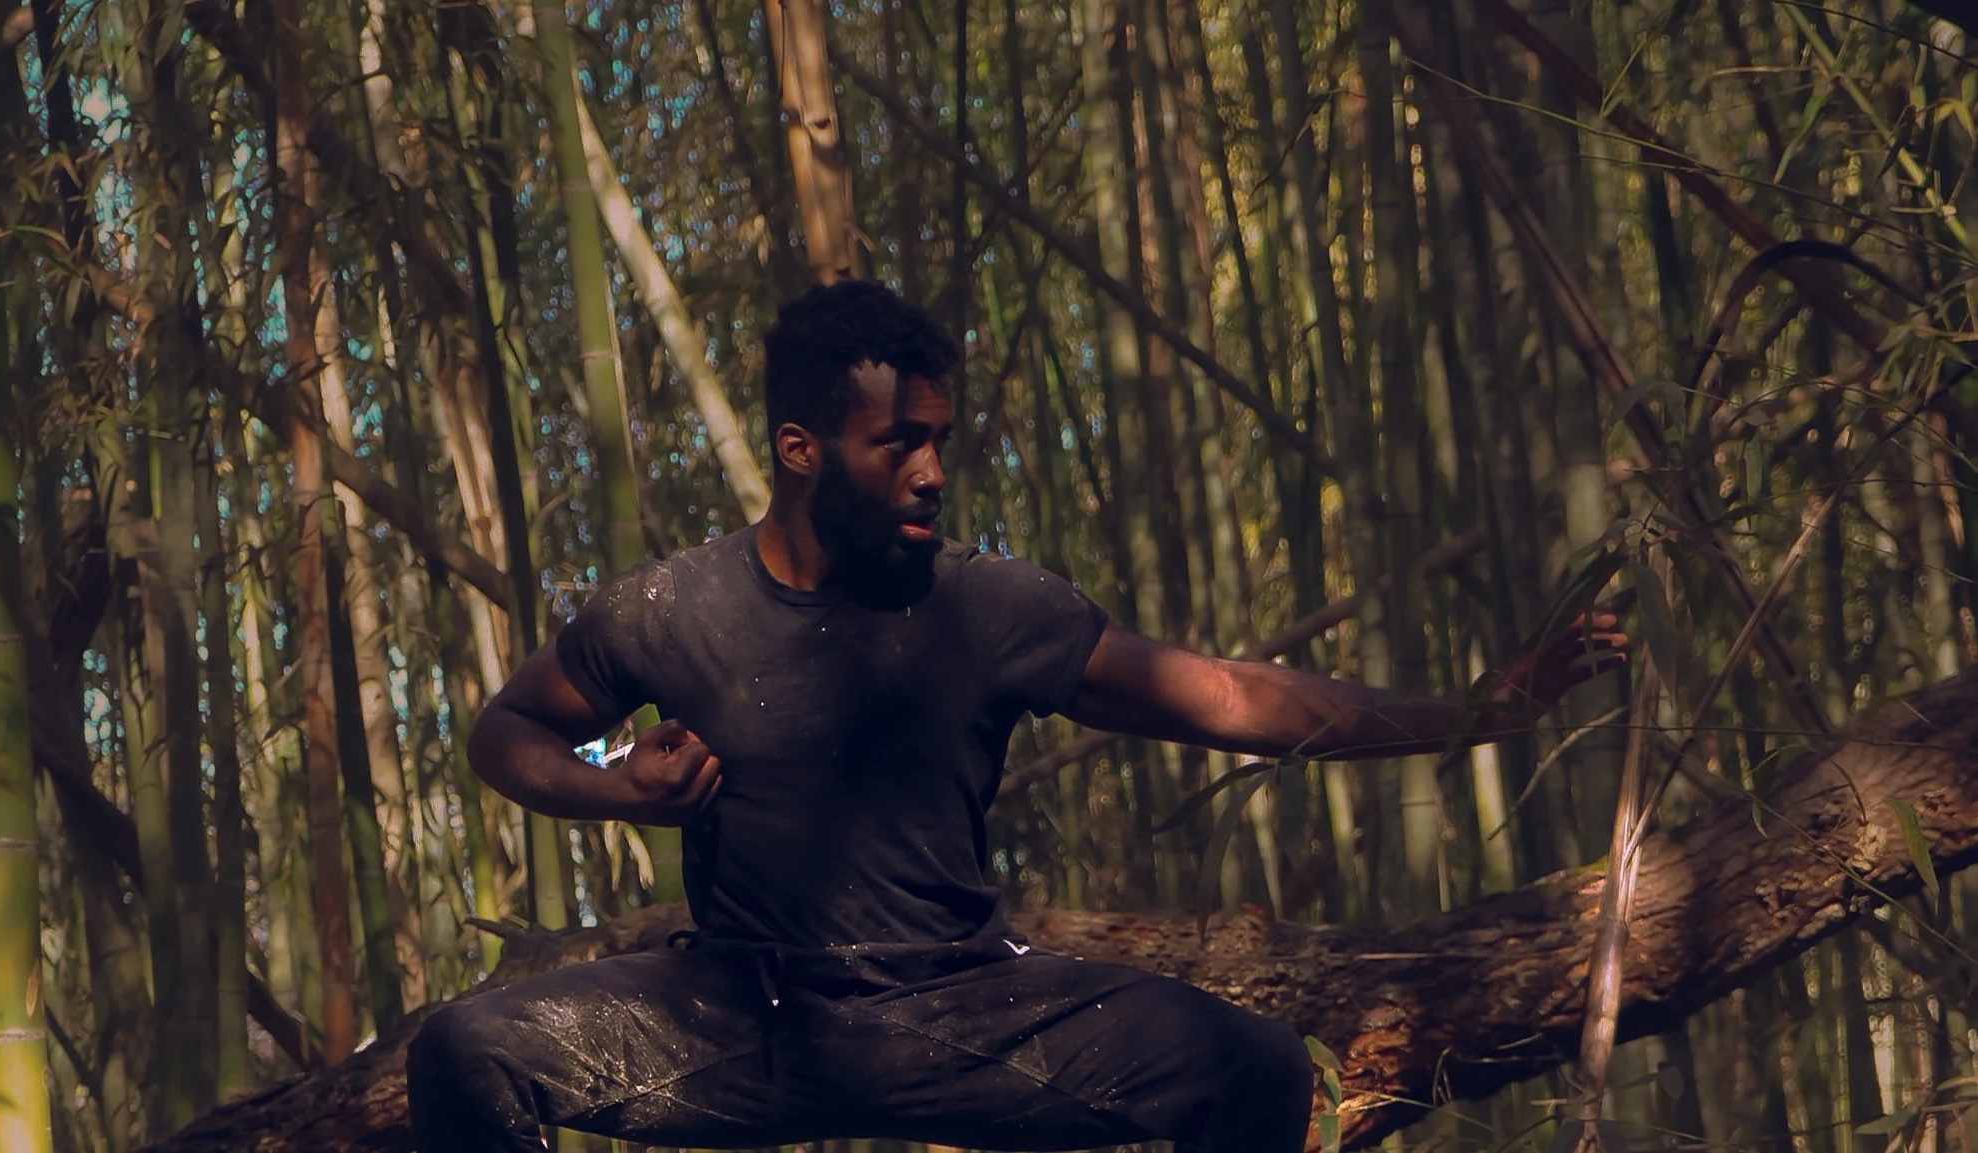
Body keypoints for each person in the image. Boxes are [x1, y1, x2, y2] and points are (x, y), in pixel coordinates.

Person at [405, 280, 1627, 1153]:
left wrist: (1482, 711)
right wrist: (613, 789)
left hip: (963, 1010)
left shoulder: (988, 607)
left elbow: (1230, 695)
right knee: (462, 1052)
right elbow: (505, 729)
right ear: (799, 449)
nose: (931, 472)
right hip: (742, 1016)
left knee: (1260, 1073)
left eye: (939, 441)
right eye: (897, 444)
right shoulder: (670, 607)